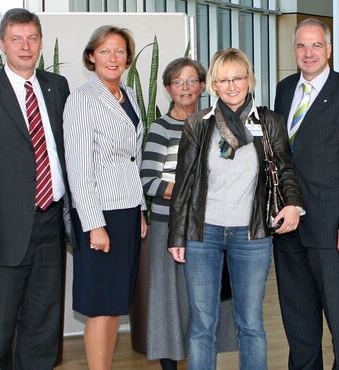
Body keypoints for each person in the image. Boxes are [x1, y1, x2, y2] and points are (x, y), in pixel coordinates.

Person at [168, 48, 303, 370]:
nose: (231, 86)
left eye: (238, 78)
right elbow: (184, 183)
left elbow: (285, 170)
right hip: (204, 235)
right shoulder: (198, 124)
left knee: (251, 324)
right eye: (224, 80)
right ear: (213, 85)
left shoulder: (269, 122)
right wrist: (177, 235)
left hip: (251, 235)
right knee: (202, 326)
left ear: (250, 80)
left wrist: (295, 205)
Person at [0, 8, 70, 369]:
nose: (25, 46)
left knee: (43, 325)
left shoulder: (57, 86)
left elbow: (64, 150)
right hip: (2, 231)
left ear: (41, 42)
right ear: (1, 44)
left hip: (51, 223)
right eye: (16, 39)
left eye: (32, 38)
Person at [273, 18, 339, 370]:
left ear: (329, 49)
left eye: (316, 45)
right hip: (288, 225)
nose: (308, 52)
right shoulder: (284, 90)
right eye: (301, 45)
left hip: (333, 227)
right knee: (297, 314)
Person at [140, 57, 238, 370]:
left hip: (211, 227)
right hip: (168, 226)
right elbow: (149, 180)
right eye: (179, 82)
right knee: (168, 301)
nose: (186, 88)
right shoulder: (161, 128)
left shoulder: (217, 124)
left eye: (192, 81)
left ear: (202, 87)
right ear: (168, 88)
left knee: (207, 302)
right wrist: (190, 190)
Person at [63, 25, 148, 370]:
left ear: (127, 57)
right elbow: (79, 169)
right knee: (100, 304)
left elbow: (133, 159)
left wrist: (140, 209)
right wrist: (94, 225)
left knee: (115, 303)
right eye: (104, 51)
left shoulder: (127, 95)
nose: (113, 58)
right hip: (101, 215)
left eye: (119, 51)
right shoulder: (83, 99)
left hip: (126, 211)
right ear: (91, 56)